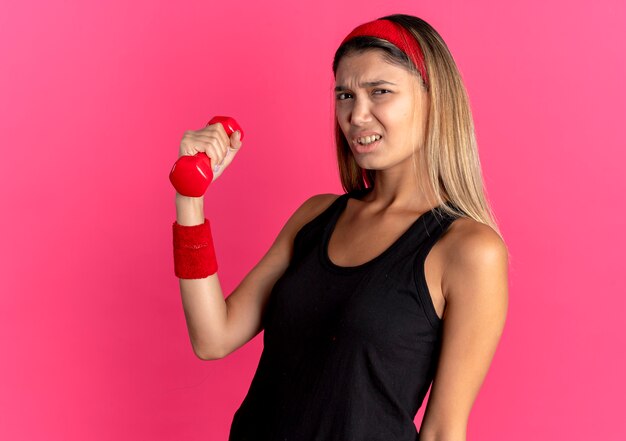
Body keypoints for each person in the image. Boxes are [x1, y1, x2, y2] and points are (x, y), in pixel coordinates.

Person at [172, 13, 508, 441]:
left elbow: (443, 430)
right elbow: (212, 337)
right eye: (345, 95)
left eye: (380, 92)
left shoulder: (468, 250)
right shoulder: (316, 217)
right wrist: (189, 198)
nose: (356, 114)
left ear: (433, 99)